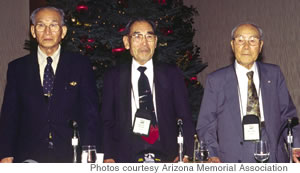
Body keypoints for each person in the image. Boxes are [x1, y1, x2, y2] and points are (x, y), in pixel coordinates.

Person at [0, 6, 99, 163]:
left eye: (53, 25)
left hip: (70, 154)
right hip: (28, 155)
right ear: (33, 32)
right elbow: (9, 115)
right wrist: (5, 153)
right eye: (41, 25)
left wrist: (89, 152)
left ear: (63, 31)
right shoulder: (17, 68)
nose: (47, 31)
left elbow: (90, 113)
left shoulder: (80, 65)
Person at [196, 23, 300, 163]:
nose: (246, 46)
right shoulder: (216, 80)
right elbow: (206, 123)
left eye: (252, 40)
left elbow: (289, 116)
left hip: (273, 151)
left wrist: (296, 146)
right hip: (234, 154)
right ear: (232, 45)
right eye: (240, 40)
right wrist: (212, 154)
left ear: (260, 45)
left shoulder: (274, 74)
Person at [101, 18, 194, 163]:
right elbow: (106, 120)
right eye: (137, 36)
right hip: (125, 156)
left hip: (168, 156)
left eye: (149, 37)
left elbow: (185, 115)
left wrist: (185, 153)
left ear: (155, 42)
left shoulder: (171, 74)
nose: (144, 43)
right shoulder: (113, 76)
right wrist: (108, 156)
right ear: (127, 42)